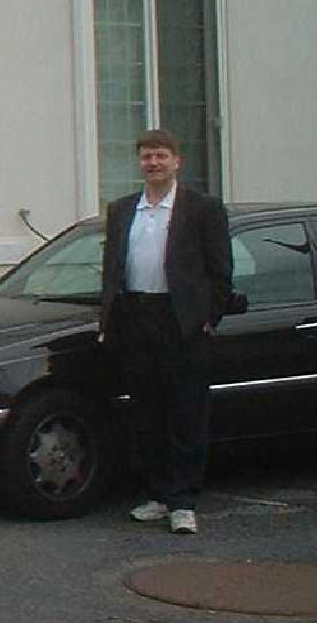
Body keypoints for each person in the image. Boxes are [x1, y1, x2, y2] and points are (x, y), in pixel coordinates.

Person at [99, 128, 233, 535]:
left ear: (177, 162)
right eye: (146, 157)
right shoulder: (123, 210)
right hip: (136, 318)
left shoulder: (202, 209)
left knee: (186, 412)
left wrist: (208, 316)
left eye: (160, 156)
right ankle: (158, 494)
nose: (153, 163)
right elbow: (112, 268)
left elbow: (220, 270)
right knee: (147, 412)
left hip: (181, 322)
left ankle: (183, 502)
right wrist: (108, 318)